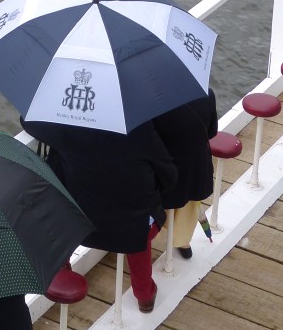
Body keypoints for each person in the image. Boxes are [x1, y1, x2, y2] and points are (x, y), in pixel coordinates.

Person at [22, 118, 177, 313]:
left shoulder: (65, 125)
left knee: (62, 209)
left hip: (80, 224)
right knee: (139, 229)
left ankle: (61, 268)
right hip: (131, 226)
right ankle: (144, 296)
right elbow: (169, 175)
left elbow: (29, 122)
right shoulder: (140, 130)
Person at [153, 89, 218, 259]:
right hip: (197, 166)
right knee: (189, 207)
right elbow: (212, 132)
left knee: (163, 205)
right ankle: (183, 241)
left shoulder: (154, 104)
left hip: (166, 171)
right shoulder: (206, 93)